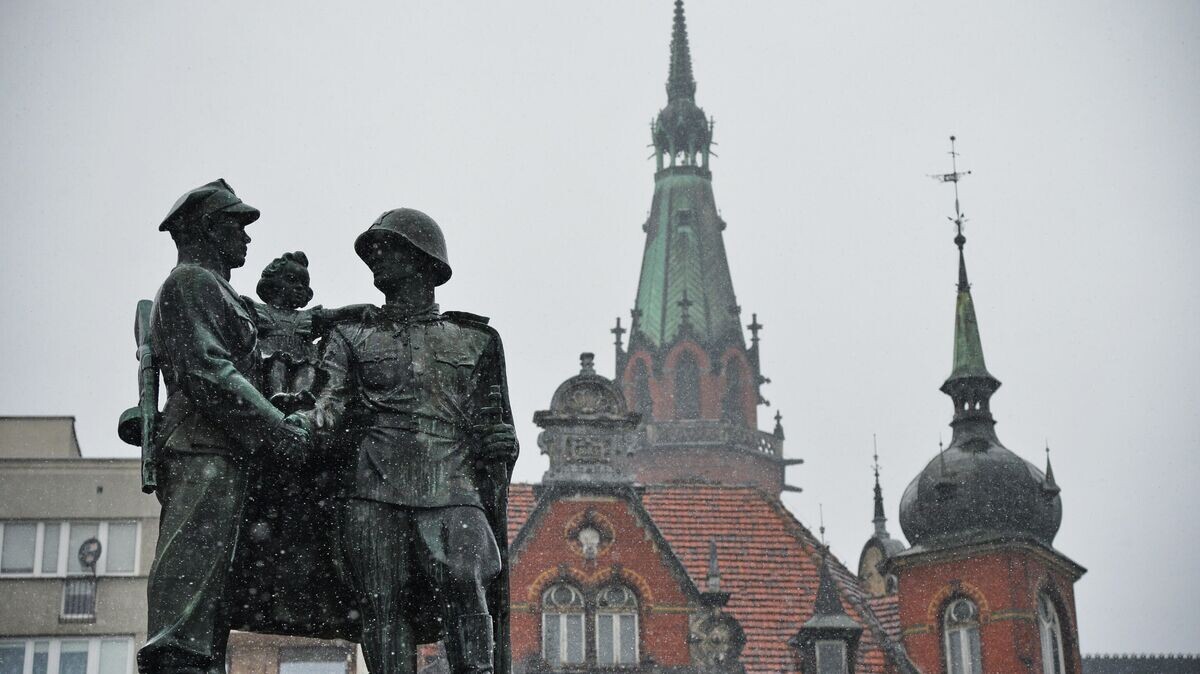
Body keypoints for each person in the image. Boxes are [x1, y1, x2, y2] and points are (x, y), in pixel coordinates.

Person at [307, 208, 518, 674]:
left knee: (468, 580)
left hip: (453, 485)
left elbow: (498, 429)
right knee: (383, 607)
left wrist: (503, 444)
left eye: (388, 249)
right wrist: (310, 418)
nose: (374, 260)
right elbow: (330, 400)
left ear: (424, 261)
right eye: (372, 251)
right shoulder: (350, 334)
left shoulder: (476, 340)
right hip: (374, 487)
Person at [140, 179, 313, 674]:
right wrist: (277, 425)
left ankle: (196, 660)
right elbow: (210, 373)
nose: (248, 239)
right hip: (203, 451)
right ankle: (177, 660)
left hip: (225, 453)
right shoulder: (191, 284)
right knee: (187, 585)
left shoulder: (216, 289)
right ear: (210, 229)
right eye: (238, 226)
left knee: (212, 589)